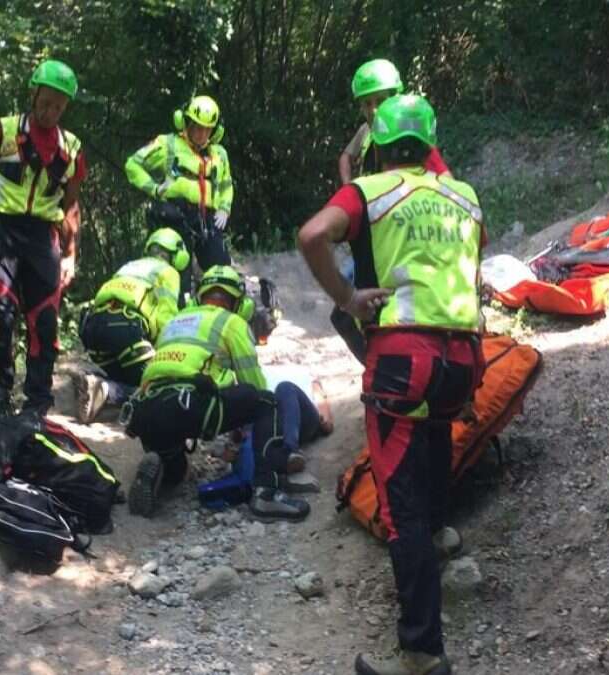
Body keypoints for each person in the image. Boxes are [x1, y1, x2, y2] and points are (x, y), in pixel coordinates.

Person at [298, 94, 485, 675]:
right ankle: (438, 540)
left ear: (378, 146)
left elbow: (311, 236)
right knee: (430, 435)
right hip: (463, 360)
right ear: (430, 145)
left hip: (403, 359)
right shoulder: (464, 195)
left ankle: (423, 652)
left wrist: (348, 298)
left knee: (399, 509)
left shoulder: (369, 192)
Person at [122, 266, 309, 522]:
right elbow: (253, 383)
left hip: (144, 409)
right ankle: (266, 491)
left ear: (201, 295)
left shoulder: (175, 321)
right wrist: (245, 433)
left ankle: (163, 468)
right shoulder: (230, 322)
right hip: (190, 404)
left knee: (175, 462)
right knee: (267, 402)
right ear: (237, 301)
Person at [0, 59, 86, 421]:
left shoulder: (72, 149)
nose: (51, 112)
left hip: (43, 237)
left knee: (44, 321)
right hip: (0, 227)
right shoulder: (1, 133)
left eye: (59, 106)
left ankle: (37, 402)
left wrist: (70, 255)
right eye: (47, 102)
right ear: (33, 94)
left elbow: (71, 204)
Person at [334, 59, 454, 364]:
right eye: (367, 104)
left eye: (381, 101)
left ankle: (389, 373)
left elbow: (447, 186)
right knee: (346, 315)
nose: (374, 110)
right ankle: (378, 370)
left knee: (378, 315)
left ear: (395, 96)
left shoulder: (410, 139)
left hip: (396, 241)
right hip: (372, 237)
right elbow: (345, 157)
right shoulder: (365, 132)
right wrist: (350, 187)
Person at [74, 228, 189, 424]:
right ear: (177, 254)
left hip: (93, 332)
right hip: (126, 331)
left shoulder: (129, 266)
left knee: (131, 373)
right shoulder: (168, 272)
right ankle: (108, 391)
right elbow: (167, 320)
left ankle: (94, 383)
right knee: (161, 387)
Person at [125, 95, 234, 301]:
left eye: (207, 129)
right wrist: (155, 189)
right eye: (197, 127)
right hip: (174, 216)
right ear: (187, 123)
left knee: (221, 272)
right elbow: (133, 165)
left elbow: (227, 184)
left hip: (207, 220)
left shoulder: (219, 154)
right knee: (177, 276)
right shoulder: (168, 144)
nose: (202, 134)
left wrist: (224, 208)